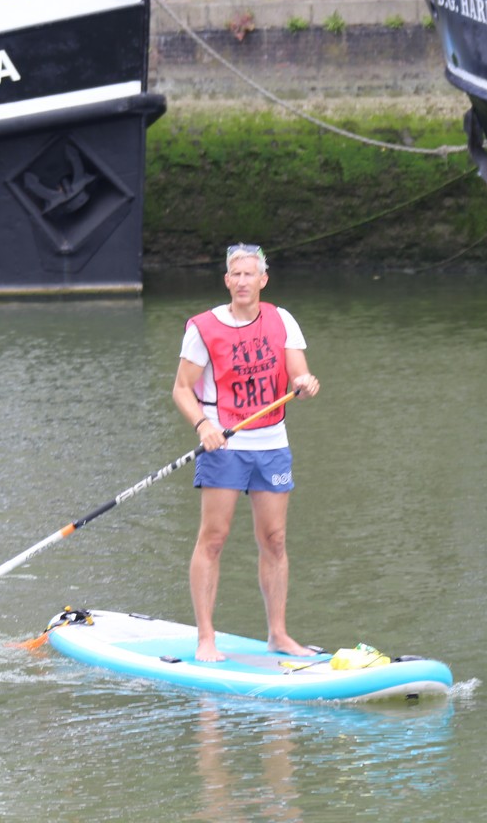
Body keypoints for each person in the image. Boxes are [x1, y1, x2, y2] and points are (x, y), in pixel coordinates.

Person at [172, 243, 321, 662]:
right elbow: (181, 389)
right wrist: (203, 426)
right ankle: (206, 638)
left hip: (271, 445)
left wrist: (305, 384)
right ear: (227, 281)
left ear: (263, 280)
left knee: (275, 540)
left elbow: (299, 375)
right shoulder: (203, 328)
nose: (242, 281)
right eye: (235, 274)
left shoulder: (281, 320)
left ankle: (278, 635)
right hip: (224, 444)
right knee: (214, 539)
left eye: (249, 274)